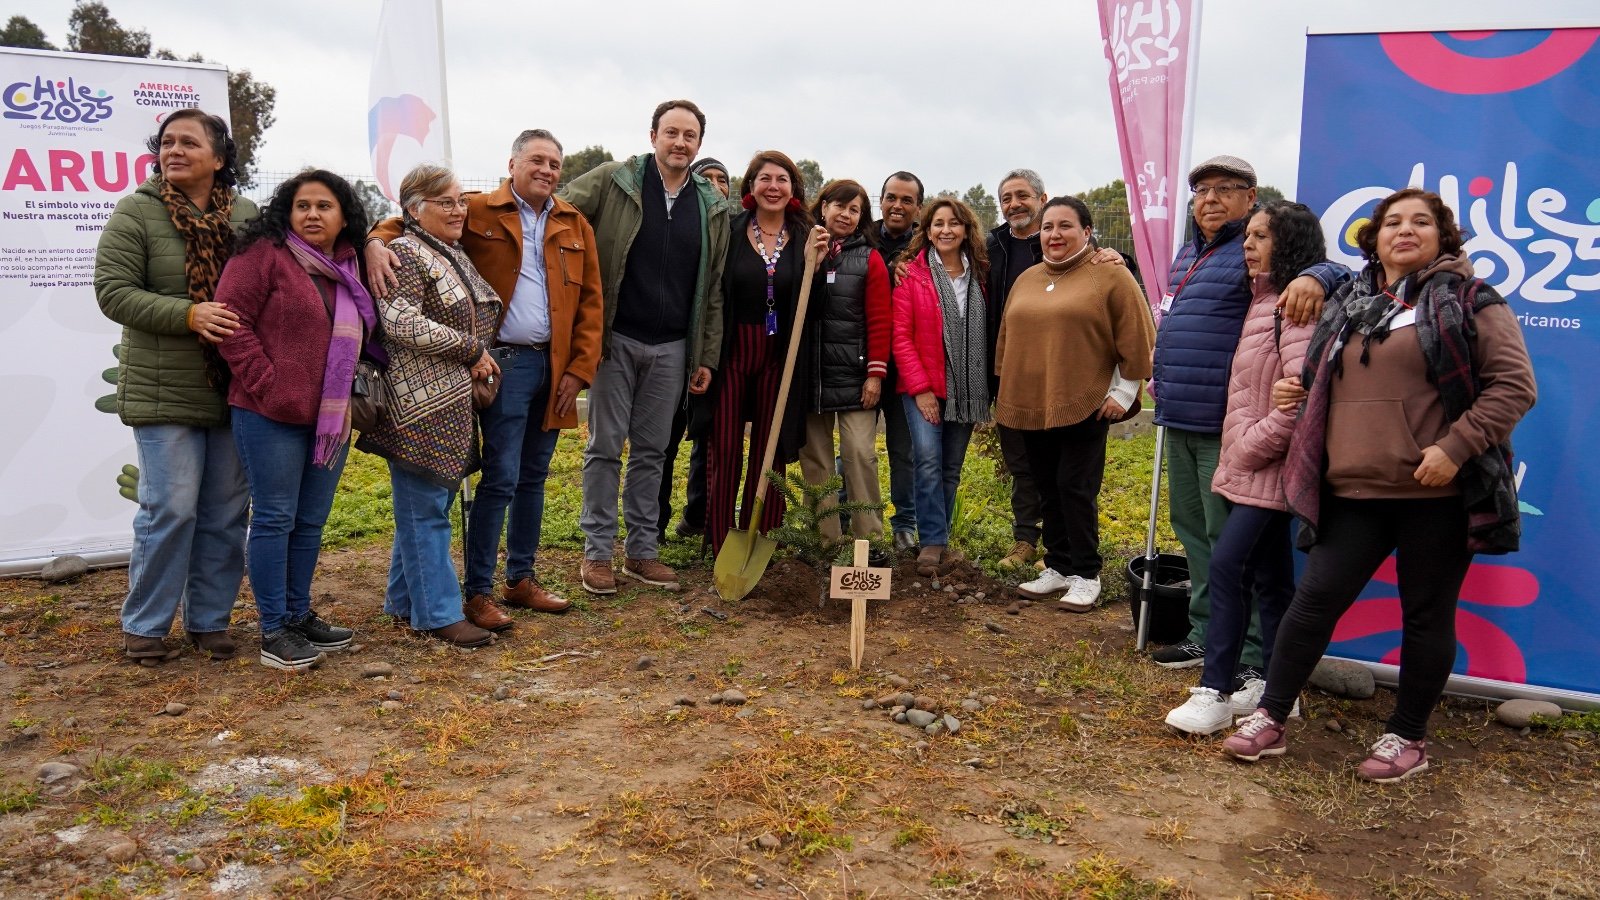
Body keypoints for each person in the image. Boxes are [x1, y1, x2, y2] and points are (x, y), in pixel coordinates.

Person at [1224, 189, 1535, 782]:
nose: (1406, 230)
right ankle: (1271, 716)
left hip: (1435, 496)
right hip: (1351, 493)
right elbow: (1324, 377)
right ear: (1375, 236)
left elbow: (1514, 386)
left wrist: (1454, 447)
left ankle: (1407, 737)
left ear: (1443, 237)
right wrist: (1300, 391)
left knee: (1425, 616)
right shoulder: (1351, 300)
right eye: (1393, 221)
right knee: (1312, 606)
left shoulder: (1470, 300)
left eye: (1422, 222)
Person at [368, 129, 604, 631]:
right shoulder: (475, 209)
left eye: (555, 164)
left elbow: (590, 304)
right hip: (503, 364)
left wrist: (580, 369)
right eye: (536, 160)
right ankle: (476, 592)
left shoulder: (573, 222)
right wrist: (372, 243)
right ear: (512, 163)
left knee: (534, 477)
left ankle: (520, 579)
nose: (547, 170)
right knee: (499, 477)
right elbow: (401, 221)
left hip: (555, 366)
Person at [1149, 155, 1348, 670]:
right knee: (1192, 532)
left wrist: (1320, 276)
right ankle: (1204, 631)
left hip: (1229, 424)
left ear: (1250, 195)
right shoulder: (1188, 254)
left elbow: (1329, 269)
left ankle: (1252, 650)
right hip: (1180, 415)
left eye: (1223, 189)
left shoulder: (1255, 249)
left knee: (1233, 546)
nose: (1209, 199)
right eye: (1201, 191)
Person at [94, 109, 257, 664]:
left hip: (235, 389)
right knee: (170, 508)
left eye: (189, 142)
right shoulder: (135, 212)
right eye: (167, 143)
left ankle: (209, 620)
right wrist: (189, 315)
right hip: (164, 389)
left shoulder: (249, 217)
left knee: (225, 511)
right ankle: (146, 623)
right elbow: (113, 292)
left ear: (219, 158)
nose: (175, 151)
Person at [1162, 201, 1325, 733]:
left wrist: (1247, 449)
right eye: (1248, 236)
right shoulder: (1264, 300)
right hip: (1253, 463)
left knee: (1230, 567)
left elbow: (1298, 400)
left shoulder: (1295, 306)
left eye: (1259, 237)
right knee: (1273, 579)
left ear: (1291, 244)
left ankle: (1215, 687)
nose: (1247, 246)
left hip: (1267, 466)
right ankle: (1275, 686)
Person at [562, 100, 730, 594]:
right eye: (672, 132)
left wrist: (706, 355)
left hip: (674, 345)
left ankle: (641, 551)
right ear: (653, 134)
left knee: (653, 451)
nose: (681, 143)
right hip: (615, 338)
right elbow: (559, 214)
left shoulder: (711, 204)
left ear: (699, 143)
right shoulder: (616, 179)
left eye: (690, 136)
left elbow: (714, 285)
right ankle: (596, 553)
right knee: (605, 448)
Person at [216, 170, 374, 670]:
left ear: (343, 216)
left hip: (331, 416)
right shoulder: (262, 255)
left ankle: (299, 613)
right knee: (275, 516)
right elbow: (229, 323)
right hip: (268, 412)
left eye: (324, 206)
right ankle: (273, 628)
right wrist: (268, 383)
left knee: (309, 521)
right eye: (302, 205)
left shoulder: (350, 264)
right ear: (288, 211)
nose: (312, 214)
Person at [356, 164, 503, 648]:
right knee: (426, 511)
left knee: (426, 505)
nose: (458, 209)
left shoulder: (448, 252)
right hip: (418, 404)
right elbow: (398, 320)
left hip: (448, 401)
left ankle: (403, 602)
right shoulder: (405, 252)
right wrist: (470, 348)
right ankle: (437, 613)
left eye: (461, 200)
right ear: (414, 209)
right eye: (446, 202)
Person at [996, 197, 1154, 610]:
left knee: (1075, 486)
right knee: (1045, 485)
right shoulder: (1028, 278)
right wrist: (1006, 388)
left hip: (1085, 399)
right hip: (1031, 400)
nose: (1055, 235)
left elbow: (1136, 332)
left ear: (1087, 231)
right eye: (1048, 227)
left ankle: (1086, 572)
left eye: (1065, 226)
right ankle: (1059, 565)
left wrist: (1124, 391)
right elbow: (1007, 338)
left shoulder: (1109, 274)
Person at [707, 151, 828, 554]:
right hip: (734, 353)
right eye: (765, 179)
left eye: (782, 179)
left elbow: (818, 302)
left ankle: (763, 537)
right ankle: (721, 535)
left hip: (781, 356)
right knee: (724, 447)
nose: (773, 187)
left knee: (770, 451)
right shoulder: (731, 228)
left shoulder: (807, 234)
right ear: (751, 186)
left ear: (793, 188)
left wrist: (818, 263)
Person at [892, 198, 991, 577]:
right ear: (927, 230)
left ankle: (941, 537)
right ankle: (931, 540)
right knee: (928, 462)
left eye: (954, 223)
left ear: (966, 229)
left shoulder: (981, 276)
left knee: (950, 467)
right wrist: (920, 389)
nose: (945, 230)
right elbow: (901, 337)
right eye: (937, 224)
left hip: (966, 388)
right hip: (923, 388)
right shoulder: (911, 276)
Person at [799, 178, 891, 546]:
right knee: (817, 461)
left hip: (855, 377)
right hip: (812, 375)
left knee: (858, 454)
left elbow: (881, 320)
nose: (847, 215)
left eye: (855, 210)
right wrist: (811, 261)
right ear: (823, 207)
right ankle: (824, 540)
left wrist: (875, 375)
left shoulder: (869, 258)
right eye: (840, 206)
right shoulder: (799, 249)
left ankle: (868, 540)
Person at [659, 157, 732, 541]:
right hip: (670, 349)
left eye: (724, 180)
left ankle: (698, 515)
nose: (717, 185)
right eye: (708, 178)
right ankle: (654, 521)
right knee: (663, 441)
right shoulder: (677, 225)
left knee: (708, 439)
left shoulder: (734, 232)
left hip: (713, 354)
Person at [875, 172, 924, 554]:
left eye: (907, 200)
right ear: (881, 200)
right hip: (863, 361)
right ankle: (846, 513)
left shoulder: (928, 247)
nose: (897, 206)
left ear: (918, 208)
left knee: (904, 449)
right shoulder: (862, 236)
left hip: (906, 364)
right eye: (892, 197)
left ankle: (904, 522)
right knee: (854, 446)